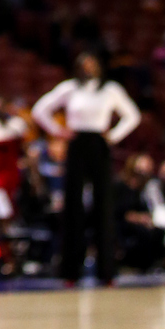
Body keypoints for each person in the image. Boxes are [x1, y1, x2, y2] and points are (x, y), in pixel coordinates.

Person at [32, 52, 141, 284]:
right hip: (77, 143)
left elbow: (132, 116)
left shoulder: (110, 89)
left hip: (99, 144)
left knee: (104, 206)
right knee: (73, 206)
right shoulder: (69, 88)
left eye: (92, 63)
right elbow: (39, 110)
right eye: (84, 63)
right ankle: (70, 272)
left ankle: (107, 272)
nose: (88, 68)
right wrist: (58, 131)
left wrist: (113, 136)